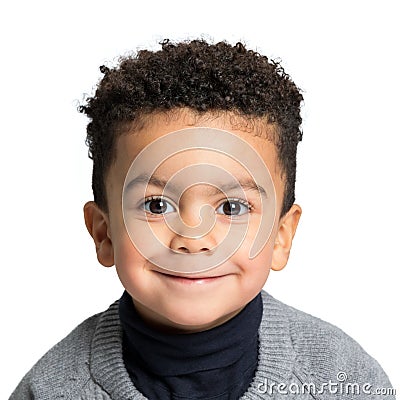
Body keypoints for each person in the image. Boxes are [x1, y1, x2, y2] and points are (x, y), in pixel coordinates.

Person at [9, 39, 395, 399]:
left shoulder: (345, 378)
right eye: (157, 205)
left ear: (280, 236)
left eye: (232, 208)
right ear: (104, 233)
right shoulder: (50, 389)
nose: (194, 240)